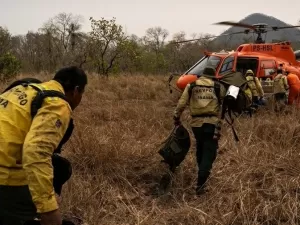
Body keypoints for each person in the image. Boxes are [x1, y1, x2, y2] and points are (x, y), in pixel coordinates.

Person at [0, 66, 88, 225]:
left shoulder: (23, 88)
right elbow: (35, 153)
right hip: (4, 179)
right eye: (82, 93)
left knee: (60, 166)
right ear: (76, 91)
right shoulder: (58, 104)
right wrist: (49, 211)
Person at [173, 66, 227, 195]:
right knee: (209, 152)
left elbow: (182, 103)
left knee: (200, 148)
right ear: (213, 76)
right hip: (211, 124)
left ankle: (201, 172)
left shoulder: (191, 85)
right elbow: (226, 102)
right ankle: (201, 184)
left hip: (196, 124)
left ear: (201, 75)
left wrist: (176, 117)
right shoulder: (217, 86)